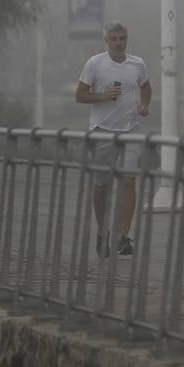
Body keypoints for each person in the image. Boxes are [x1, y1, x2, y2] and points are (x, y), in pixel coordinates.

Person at [75, 21, 151, 257]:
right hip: (102, 129)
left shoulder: (137, 64)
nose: (119, 43)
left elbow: (146, 86)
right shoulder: (94, 64)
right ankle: (102, 231)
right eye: (114, 39)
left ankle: (123, 236)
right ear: (106, 41)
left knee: (129, 181)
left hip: (130, 129)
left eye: (122, 38)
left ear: (126, 39)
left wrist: (145, 105)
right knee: (102, 183)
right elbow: (80, 96)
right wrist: (103, 96)